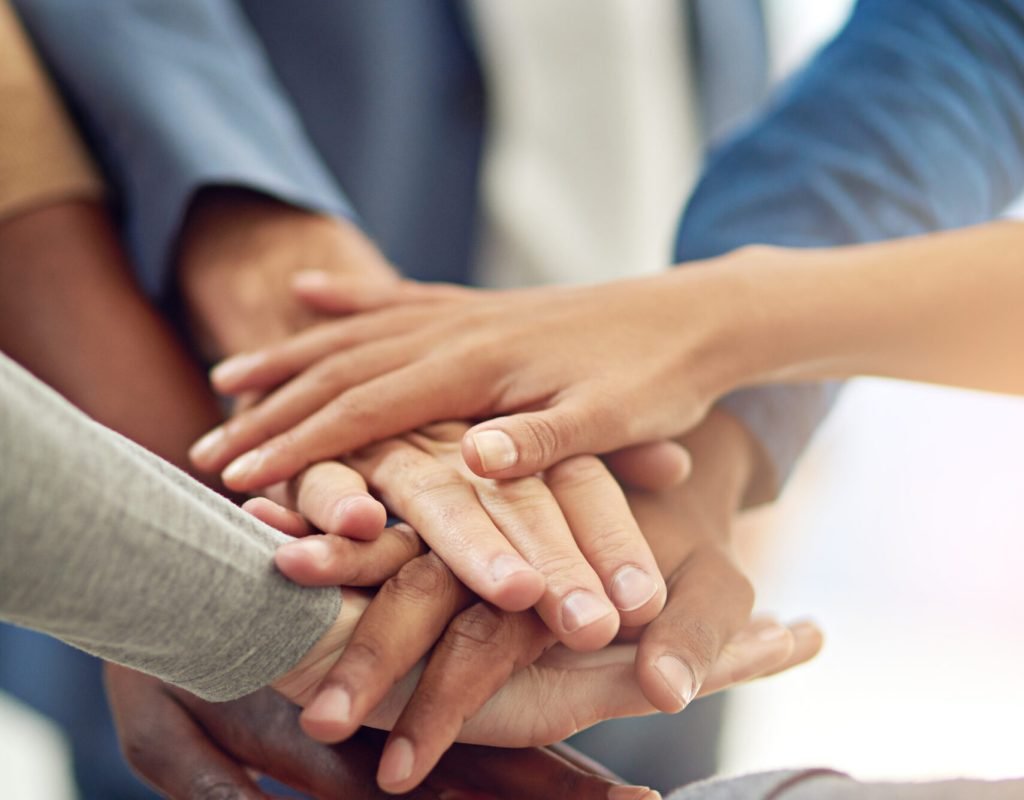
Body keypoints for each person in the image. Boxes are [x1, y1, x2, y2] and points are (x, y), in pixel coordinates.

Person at [14, 0, 1024, 793]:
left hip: (635, 576)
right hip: (253, 490)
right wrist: (242, 283)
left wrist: (723, 398)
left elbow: (972, 29)